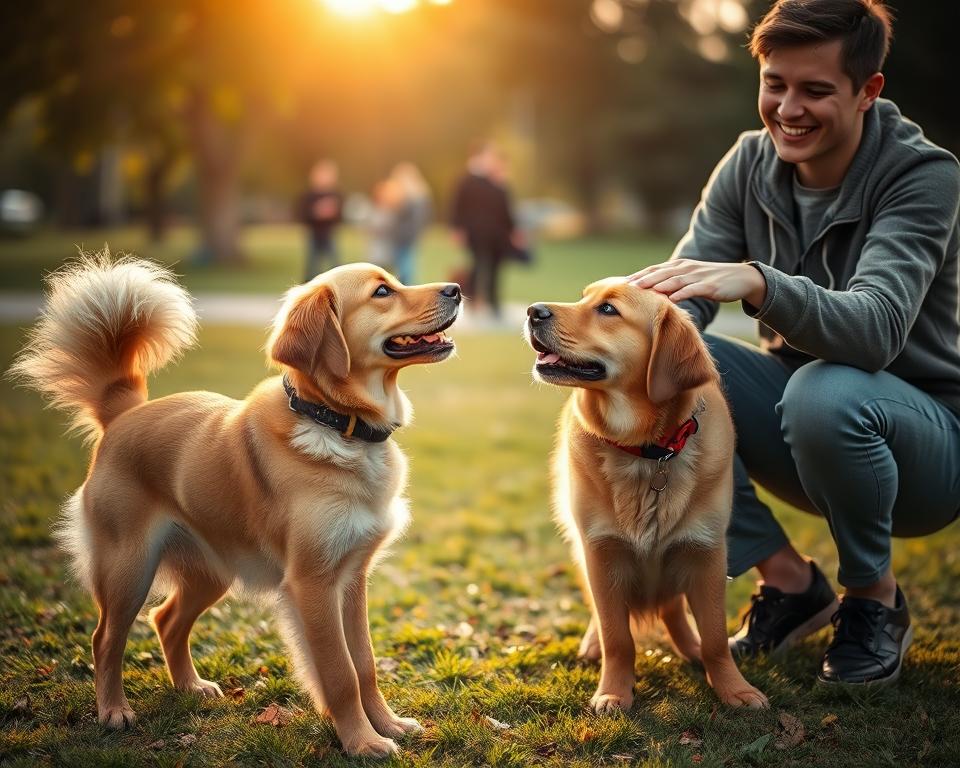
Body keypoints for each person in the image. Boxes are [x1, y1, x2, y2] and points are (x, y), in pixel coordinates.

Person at [630, 0, 960, 687]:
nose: (788, 109)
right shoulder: (748, 164)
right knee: (659, 367)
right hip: (798, 426)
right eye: (775, 83)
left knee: (824, 389)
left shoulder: (923, 176)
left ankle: (875, 602)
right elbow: (679, 301)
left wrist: (758, 280)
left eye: (815, 90)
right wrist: (617, 342)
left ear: (869, 91)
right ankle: (788, 581)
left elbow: (874, 329)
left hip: (926, 447)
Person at [450, 142, 519, 319]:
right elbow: (458, 206)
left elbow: (504, 208)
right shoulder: (467, 180)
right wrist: (458, 228)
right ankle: (472, 302)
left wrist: (513, 230)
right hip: (476, 232)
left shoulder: (494, 179)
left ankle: (493, 302)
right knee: (478, 265)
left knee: (495, 267)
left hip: (496, 233)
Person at [386, 163, 432, 285]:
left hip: (404, 237)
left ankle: (410, 296)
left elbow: (399, 218)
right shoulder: (422, 195)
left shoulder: (408, 198)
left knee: (405, 271)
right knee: (407, 268)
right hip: (411, 237)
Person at [298, 159, 343, 281]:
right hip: (314, 233)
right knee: (312, 265)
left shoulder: (335, 194)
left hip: (329, 234)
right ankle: (308, 291)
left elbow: (340, 215)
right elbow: (302, 214)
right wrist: (316, 213)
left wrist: (332, 213)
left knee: (336, 264)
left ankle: (339, 288)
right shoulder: (309, 195)